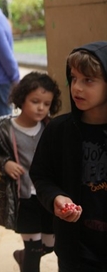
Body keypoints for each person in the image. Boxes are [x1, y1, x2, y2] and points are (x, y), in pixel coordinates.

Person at [30, 41, 107, 272]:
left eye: (88, 80)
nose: (77, 88)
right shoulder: (58, 130)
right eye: (73, 78)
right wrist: (56, 198)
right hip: (76, 252)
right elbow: (41, 175)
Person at [0, 71, 62, 272]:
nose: (41, 108)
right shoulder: (1, 130)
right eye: (35, 101)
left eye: (46, 103)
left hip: (47, 198)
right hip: (24, 199)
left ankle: (22, 256)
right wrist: (5, 164)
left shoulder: (51, 128)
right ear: (21, 98)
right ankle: (28, 258)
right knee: (34, 249)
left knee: (49, 245)